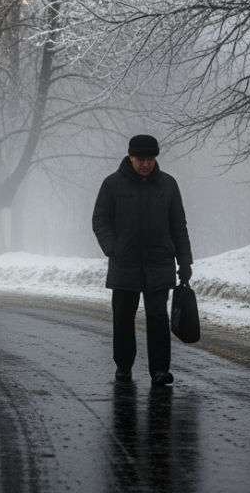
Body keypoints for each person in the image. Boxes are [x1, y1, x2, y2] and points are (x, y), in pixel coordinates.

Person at [92, 135, 193, 386]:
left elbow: (178, 224)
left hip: (159, 263)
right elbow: (100, 220)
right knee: (123, 316)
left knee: (158, 317)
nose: (146, 164)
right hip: (124, 263)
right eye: (141, 159)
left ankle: (160, 370)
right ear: (130, 158)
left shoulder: (168, 184)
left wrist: (185, 261)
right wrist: (113, 249)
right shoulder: (112, 184)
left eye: (150, 159)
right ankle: (123, 367)